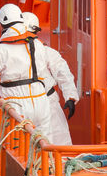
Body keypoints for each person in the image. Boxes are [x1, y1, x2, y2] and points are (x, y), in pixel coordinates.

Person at [0, 3, 52, 138]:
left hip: (16, 104)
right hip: (41, 101)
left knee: (16, 147)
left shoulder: (0, 50)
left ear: (1, 24)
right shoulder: (37, 44)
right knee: (43, 145)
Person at [24, 12, 78, 145]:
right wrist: (70, 97)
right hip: (38, 103)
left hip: (39, 103)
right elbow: (63, 74)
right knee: (58, 143)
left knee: (58, 141)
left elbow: (62, 73)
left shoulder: (44, 52)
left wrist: (71, 97)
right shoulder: (46, 51)